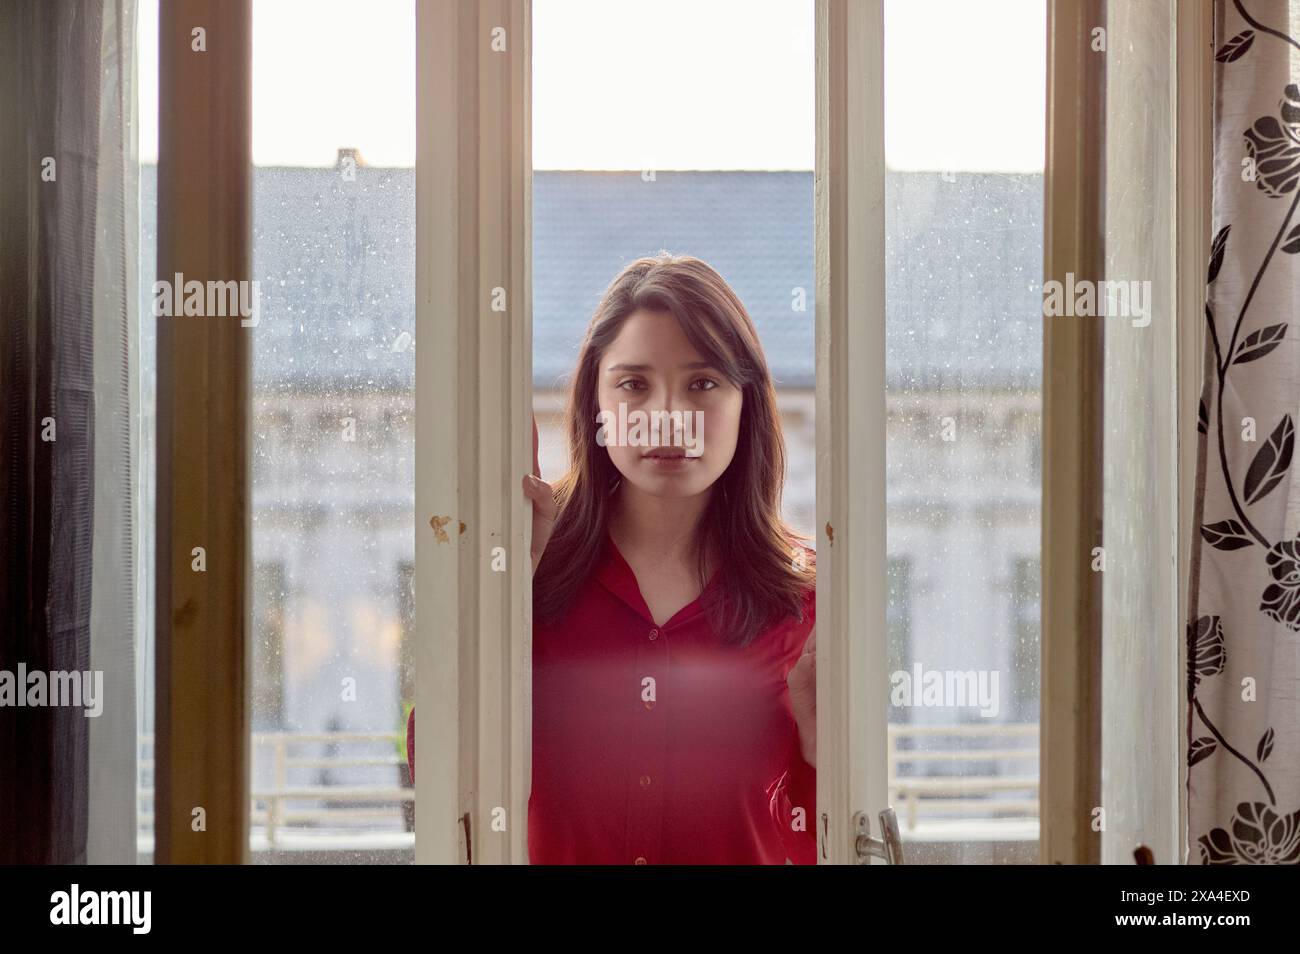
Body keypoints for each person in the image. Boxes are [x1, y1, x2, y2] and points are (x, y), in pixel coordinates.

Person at [408, 253, 816, 864]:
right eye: (633, 384)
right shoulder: (528, 564)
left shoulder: (804, 597)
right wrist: (499, 597)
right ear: (594, 403)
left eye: (703, 383)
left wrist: (816, 750)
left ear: (746, 403)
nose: (667, 419)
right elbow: (440, 774)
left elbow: (820, 840)